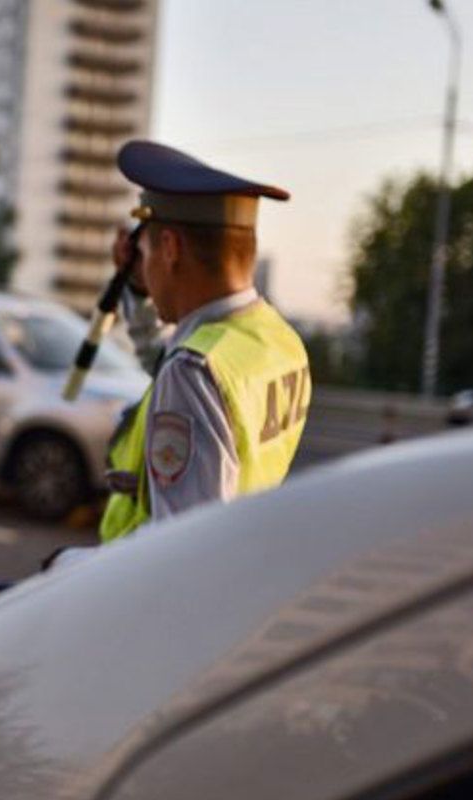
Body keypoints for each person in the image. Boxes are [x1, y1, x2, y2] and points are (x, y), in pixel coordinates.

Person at [95, 140, 311, 543]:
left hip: (151, 598)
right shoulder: (279, 342)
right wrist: (141, 291)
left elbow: (181, 548)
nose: (142, 266)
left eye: (144, 253)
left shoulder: (192, 372)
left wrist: (67, 568)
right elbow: (169, 356)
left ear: (170, 249)